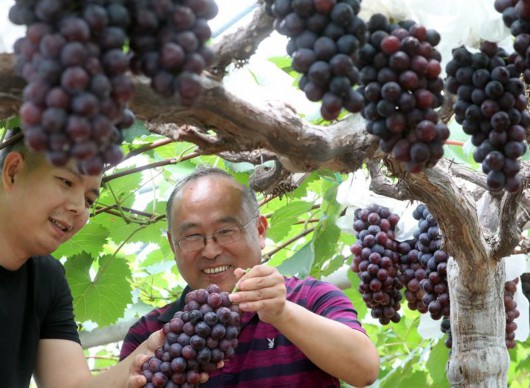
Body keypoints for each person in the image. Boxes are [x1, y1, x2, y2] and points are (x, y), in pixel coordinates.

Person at [120, 167, 380, 387]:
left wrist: (283, 314)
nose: (210, 250)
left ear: (260, 230)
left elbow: (364, 369)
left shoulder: (311, 298)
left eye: (225, 231)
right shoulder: (148, 333)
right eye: (191, 236)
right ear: (172, 243)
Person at [0, 128, 163, 388]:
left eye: (89, 200)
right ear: (13, 172)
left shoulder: (47, 279)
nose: (78, 207)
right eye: (66, 182)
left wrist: (148, 353)